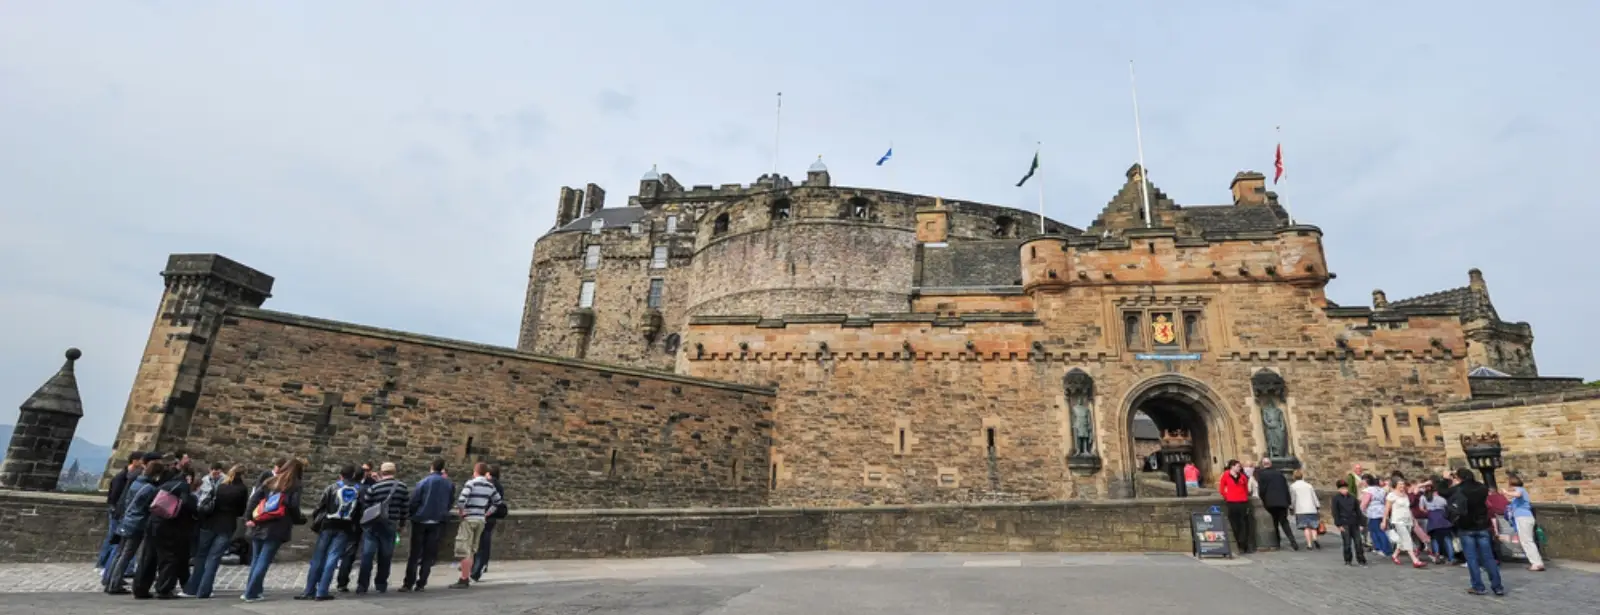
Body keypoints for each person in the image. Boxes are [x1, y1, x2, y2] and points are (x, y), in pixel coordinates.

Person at [242, 459, 306, 603]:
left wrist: (248, 517)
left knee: (256, 559)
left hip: (260, 522)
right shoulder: (295, 485)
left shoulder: (270, 481)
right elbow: (294, 506)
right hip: (278, 526)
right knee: (263, 560)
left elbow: (253, 500)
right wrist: (298, 519)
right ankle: (251, 593)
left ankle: (253, 590)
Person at [298, 464, 364, 601]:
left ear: (341, 475)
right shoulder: (360, 490)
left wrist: (317, 522)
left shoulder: (332, 487)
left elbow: (319, 507)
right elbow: (360, 511)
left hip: (328, 525)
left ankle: (309, 590)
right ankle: (322, 591)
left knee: (318, 557)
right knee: (333, 558)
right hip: (345, 527)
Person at [186, 465, 247, 598]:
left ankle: (192, 588)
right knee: (213, 558)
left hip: (210, 523)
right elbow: (241, 511)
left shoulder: (221, 486)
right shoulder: (241, 489)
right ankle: (204, 590)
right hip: (226, 525)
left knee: (201, 556)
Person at [105, 459, 164, 594]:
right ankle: (114, 585)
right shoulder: (150, 488)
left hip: (126, 520)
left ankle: (110, 581)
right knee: (126, 555)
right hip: (137, 523)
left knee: (119, 553)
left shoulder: (136, 482)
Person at [1445, 468, 1505, 596]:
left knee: (1472, 559)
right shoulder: (1482, 488)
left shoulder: (1460, 489)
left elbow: (1443, 492)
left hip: (1466, 527)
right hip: (1482, 525)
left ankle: (1478, 586)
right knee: (1488, 558)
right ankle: (1497, 586)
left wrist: (1446, 479)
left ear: (1460, 478)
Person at [139, 464, 196, 599]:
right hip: (168, 526)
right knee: (169, 558)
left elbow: (148, 503)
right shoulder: (183, 487)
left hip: (152, 523)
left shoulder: (164, 485)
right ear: (188, 477)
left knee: (148, 557)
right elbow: (187, 505)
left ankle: (140, 588)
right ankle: (164, 589)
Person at [356, 462, 411, 594]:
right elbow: (405, 509)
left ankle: (362, 585)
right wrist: (402, 525)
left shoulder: (374, 487)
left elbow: (365, 506)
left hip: (373, 526)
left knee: (367, 556)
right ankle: (381, 584)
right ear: (394, 471)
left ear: (381, 472)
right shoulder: (402, 487)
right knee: (386, 556)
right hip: (391, 524)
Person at [402, 458, 454, 592]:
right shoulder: (448, 484)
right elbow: (450, 502)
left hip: (421, 520)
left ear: (432, 467)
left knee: (414, 554)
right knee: (428, 555)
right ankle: (421, 583)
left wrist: (413, 514)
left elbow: (414, 501)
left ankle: (408, 583)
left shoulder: (424, 482)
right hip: (437, 521)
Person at [450, 463, 504, 589]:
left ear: (475, 471)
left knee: (464, 549)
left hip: (469, 519)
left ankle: (464, 578)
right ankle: (468, 575)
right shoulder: (490, 485)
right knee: (473, 549)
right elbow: (498, 502)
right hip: (481, 519)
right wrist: (486, 513)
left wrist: (461, 511)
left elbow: (462, 500)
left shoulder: (471, 483)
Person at [335, 462, 379, 593]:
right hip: (360, 524)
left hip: (345, 522)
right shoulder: (365, 489)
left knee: (343, 553)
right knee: (358, 554)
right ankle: (355, 584)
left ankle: (340, 582)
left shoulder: (341, 487)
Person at [98, 452, 145, 573]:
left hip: (121, 512)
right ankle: (103, 565)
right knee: (114, 539)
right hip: (118, 513)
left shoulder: (129, 476)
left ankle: (108, 566)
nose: (143, 464)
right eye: (141, 460)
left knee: (117, 540)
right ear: (134, 461)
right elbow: (114, 496)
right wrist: (116, 510)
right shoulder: (121, 477)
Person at [1254, 458, 1297, 551]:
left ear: (1263, 464)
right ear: (1270, 464)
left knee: (1274, 523)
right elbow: (1285, 488)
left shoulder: (1262, 474)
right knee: (1284, 522)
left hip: (1270, 502)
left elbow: (1262, 490)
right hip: (1282, 502)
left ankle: (1277, 542)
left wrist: (1263, 500)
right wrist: (1288, 502)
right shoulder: (1279, 473)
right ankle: (1293, 541)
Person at [1382, 478, 1427, 568]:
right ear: (1395, 485)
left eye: (1403, 484)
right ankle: (1415, 560)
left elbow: (1408, 509)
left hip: (1407, 520)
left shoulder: (1405, 495)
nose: (1402, 486)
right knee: (1407, 539)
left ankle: (1394, 555)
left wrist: (1413, 519)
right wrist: (1384, 521)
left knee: (1403, 539)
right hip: (1398, 520)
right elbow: (1387, 509)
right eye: (1400, 484)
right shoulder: (1391, 495)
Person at [1504, 476, 1545, 571]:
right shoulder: (1520, 491)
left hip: (1523, 518)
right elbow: (1513, 499)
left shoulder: (1519, 490)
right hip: (1523, 518)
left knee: (1527, 541)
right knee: (1526, 541)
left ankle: (1537, 563)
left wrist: (1506, 492)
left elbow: (1517, 494)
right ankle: (1536, 562)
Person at [472, 466, 506, 581]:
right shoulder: (499, 486)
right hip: (491, 518)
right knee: (484, 543)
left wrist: (485, 513)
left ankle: (476, 569)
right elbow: (498, 502)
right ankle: (481, 566)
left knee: (479, 544)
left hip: (483, 516)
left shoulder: (488, 484)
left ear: (488, 474)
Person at [1218, 460, 1253, 554]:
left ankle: (1244, 544)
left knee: (1244, 523)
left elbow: (1246, 488)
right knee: (1234, 523)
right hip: (1232, 502)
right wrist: (1227, 496)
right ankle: (1238, 542)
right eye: (1238, 466)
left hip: (1242, 502)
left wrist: (1244, 496)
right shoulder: (1225, 475)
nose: (1239, 468)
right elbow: (1221, 489)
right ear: (1232, 467)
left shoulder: (1242, 476)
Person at [1331, 479, 1367, 566]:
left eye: (1346, 488)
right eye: (1342, 489)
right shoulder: (1336, 499)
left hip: (1354, 522)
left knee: (1358, 542)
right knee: (1347, 543)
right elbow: (1335, 512)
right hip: (1344, 522)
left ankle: (1361, 559)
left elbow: (1358, 511)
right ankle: (1348, 560)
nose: (1345, 490)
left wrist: (1362, 523)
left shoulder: (1352, 497)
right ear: (1339, 489)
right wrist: (1338, 524)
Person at [1422, 480, 1455, 565]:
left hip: (1432, 519)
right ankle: (1451, 558)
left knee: (1434, 539)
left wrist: (1428, 511)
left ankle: (1437, 557)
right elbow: (1446, 508)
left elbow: (1421, 509)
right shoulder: (1442, 499)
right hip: (1443, 520)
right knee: (1448, 539)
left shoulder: (1423, 498)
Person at [1360, 474, 1391, 557]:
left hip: (1373, 512)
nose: (1362, 482)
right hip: (1381, 511)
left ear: (1366, 481)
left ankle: (1384, 549)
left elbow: (1365, 502)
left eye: (1363, 480)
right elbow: (1385, 500)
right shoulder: (1380, 489)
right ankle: (1378, 547)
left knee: (1377, 531)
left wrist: (1360, 511)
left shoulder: (1368, 490)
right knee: (1376, 530)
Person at [1288, 469, 1320, 549]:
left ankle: (1309, 544)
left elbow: (1293, 499)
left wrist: (1291, 507)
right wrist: (1317, 505)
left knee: (1306, 527)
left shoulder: (1293, 486)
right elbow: (1314, 496)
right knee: (1313, 526)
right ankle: (1315, 538)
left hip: (1301, 509)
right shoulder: (1309, 485)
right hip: (1311, 508)